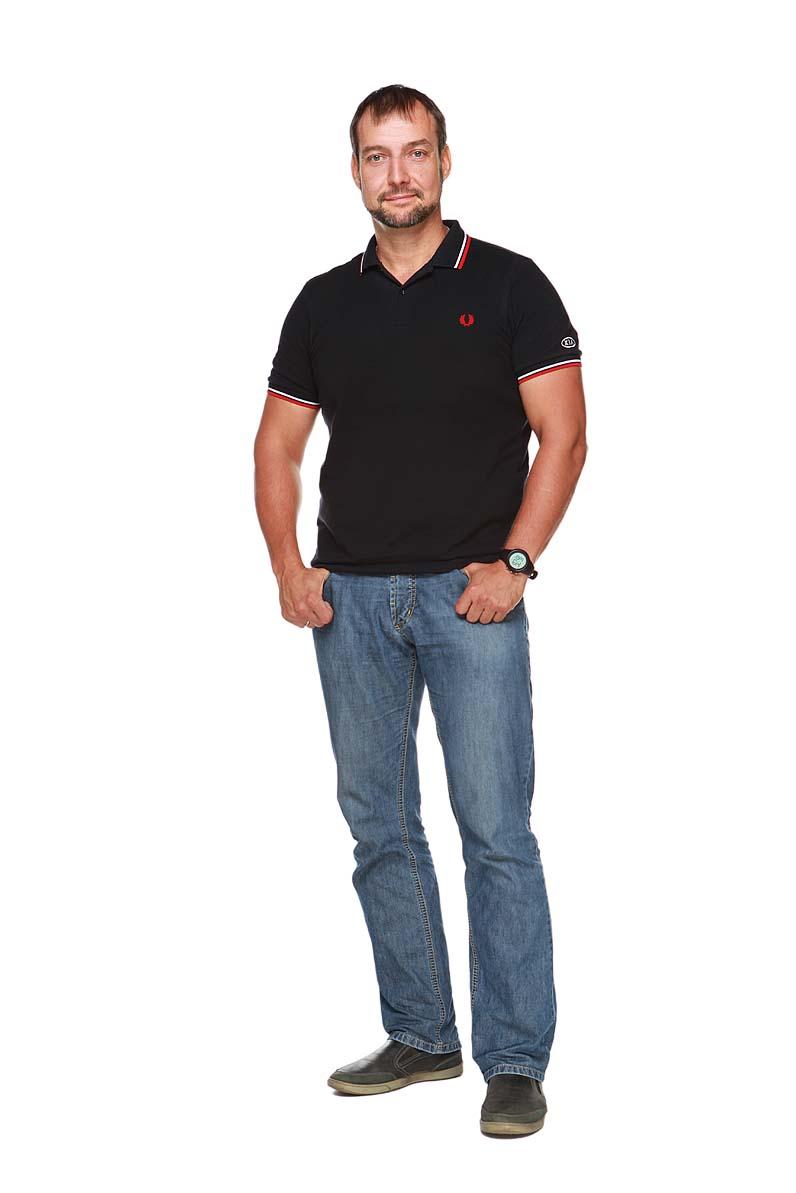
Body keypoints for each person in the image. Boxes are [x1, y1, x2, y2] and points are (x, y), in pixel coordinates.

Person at [253, 83, 587, 1138]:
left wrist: (516, 563)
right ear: (355, 171)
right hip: (348, 600)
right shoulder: (322, 301)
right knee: (379, 826)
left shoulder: (510, 284)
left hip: (469, 598)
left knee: (495, 831)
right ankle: (422, 1033)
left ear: (444, 162)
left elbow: (565, 435)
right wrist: (287, 566)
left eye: (414, 152)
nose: (396, 173)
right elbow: (276, 446)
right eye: (375, 155)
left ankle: (515, 1060)